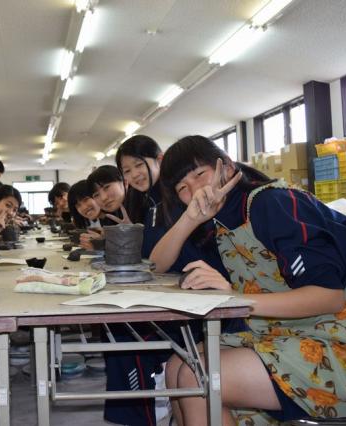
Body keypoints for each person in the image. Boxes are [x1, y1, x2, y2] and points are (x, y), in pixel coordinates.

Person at [158, 135, 346, 425]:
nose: (195, 190)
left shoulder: (272, 203)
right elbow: (157, 265)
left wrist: (234, 298)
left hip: (332, 338)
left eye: (199, 175)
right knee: (178, 366)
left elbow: (328, 297)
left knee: (198, 376)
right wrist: (190, 219)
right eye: (183, 188)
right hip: (282, 332)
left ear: (228, 166)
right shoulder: (220, 222)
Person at [101, 135, 231, 426]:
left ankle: (143, 412)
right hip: (178, 288)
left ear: (159, 159)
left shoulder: (176, 198)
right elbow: (156, 259)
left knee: (126, 331)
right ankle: (142, 411)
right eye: (126, 171)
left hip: (202, 294)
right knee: (117, 326)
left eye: (139, 165)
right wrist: (131, 233)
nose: (134, 174)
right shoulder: (149, 204)